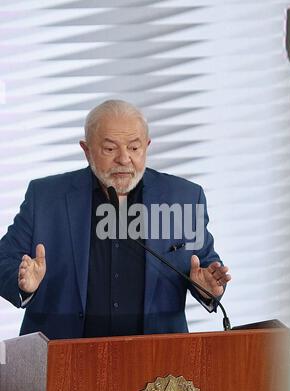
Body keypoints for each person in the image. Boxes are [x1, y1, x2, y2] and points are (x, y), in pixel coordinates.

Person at [0, 100, 231, 339]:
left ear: (147, 147)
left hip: (157, 361)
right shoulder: (46, 197)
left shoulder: (183, 197)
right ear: (86, 150)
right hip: (62, 356)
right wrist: (22, 281)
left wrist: (208, 288)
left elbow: (204, 266)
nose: (124, 159)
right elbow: (4, 259)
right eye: (110, 149)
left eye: (134, 148)